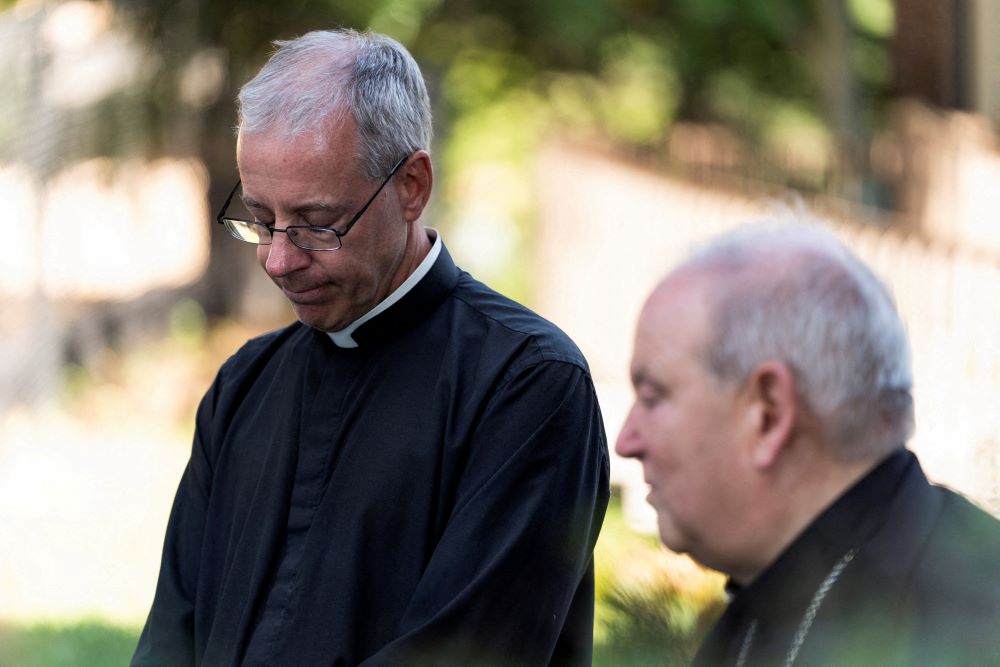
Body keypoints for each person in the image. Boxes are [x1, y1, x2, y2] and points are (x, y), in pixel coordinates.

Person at [132, 29, 609, 667]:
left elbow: (464, 654)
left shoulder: (526, 385)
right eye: (261, 217)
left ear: (412, 185)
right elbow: (173, 636)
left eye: (316, 223)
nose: (278, 258)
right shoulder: (246, 384)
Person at [615, 221, 1000, 666]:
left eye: (652, 397)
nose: (627, 441)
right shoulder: (775, 591)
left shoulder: (971, 629)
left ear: (769, 413)